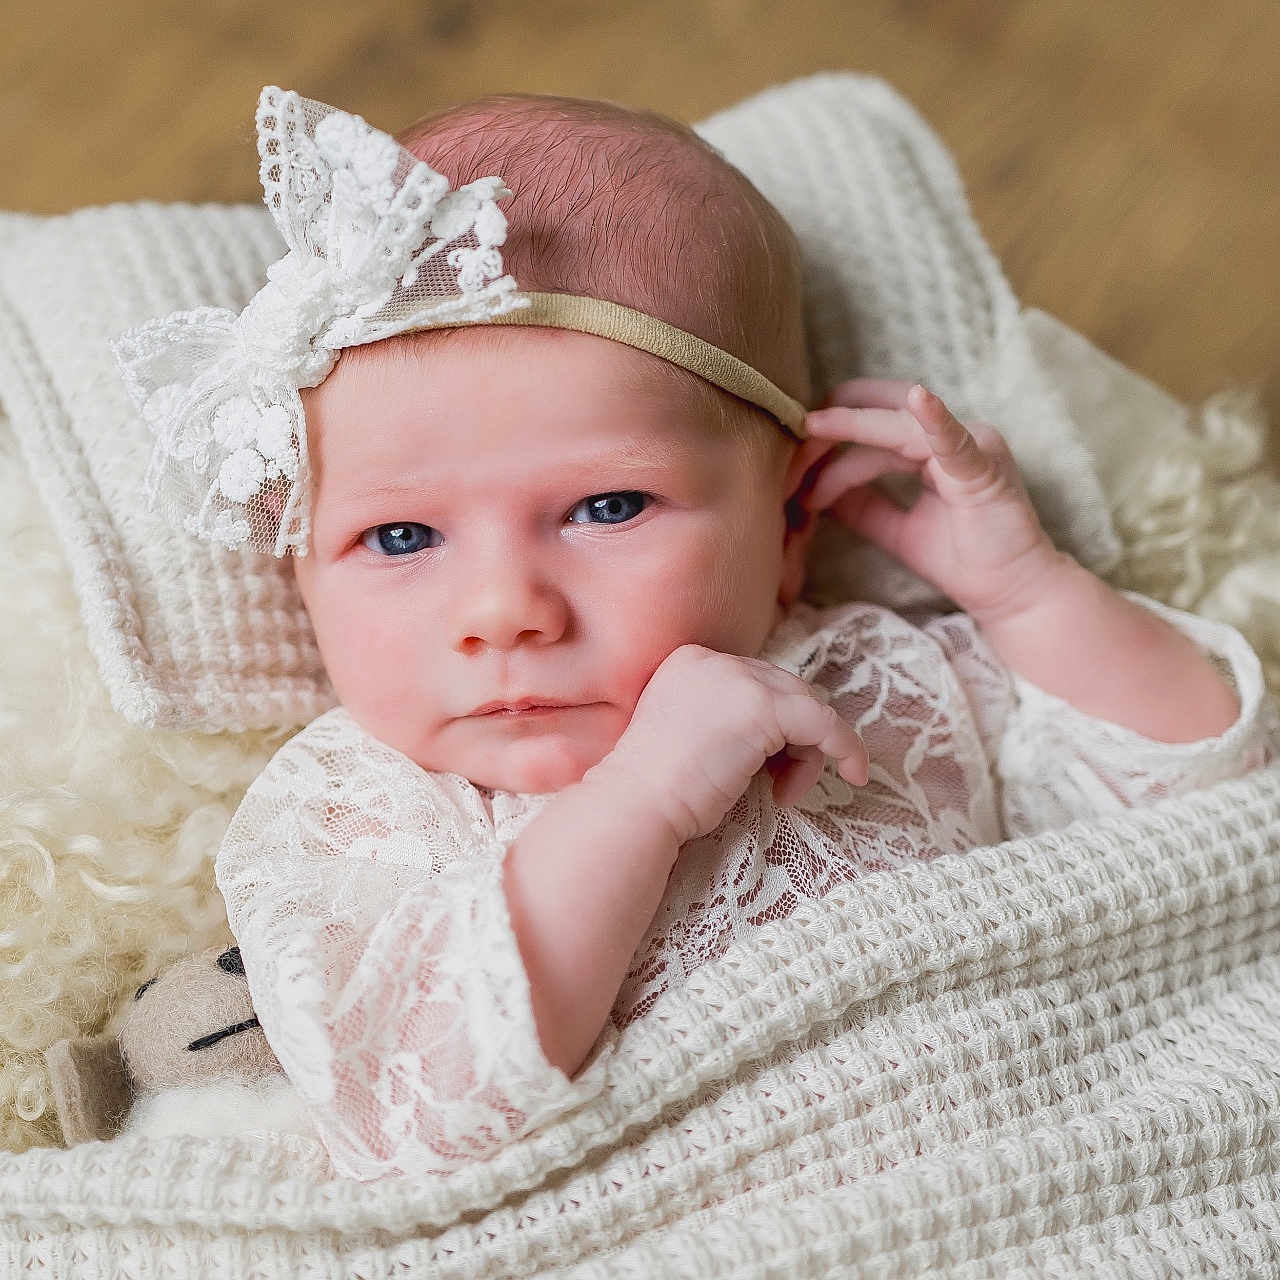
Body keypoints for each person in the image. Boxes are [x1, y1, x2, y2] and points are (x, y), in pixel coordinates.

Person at [114, 87, 1276, 1181]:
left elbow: (1201, 795)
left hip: (1047, 1158)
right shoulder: (352, 803)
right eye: (401, 536)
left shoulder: (879, 675)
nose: (503, 608)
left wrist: (1025, 591)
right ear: (301, 569)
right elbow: (426, 1105)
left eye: (605, 508)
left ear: (785, 519)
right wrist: (644, 795)